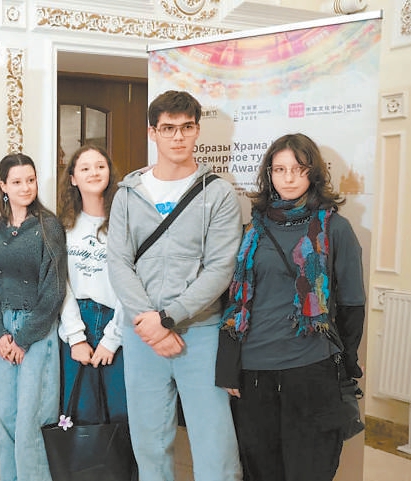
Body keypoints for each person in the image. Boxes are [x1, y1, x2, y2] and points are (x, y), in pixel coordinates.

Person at [106, 90, 243, 481]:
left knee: (215, 447)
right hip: (142, 334)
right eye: (168, 128)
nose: (178, 136)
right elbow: (118, 262)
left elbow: (220, 268)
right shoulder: (128, 194)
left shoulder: (219, 193)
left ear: (197, 130)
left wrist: (168, 318)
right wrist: (149, 321)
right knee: (149, 445)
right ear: (153, 133)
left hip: (199, 332)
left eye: (186, 127)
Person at [217, 133, 366, 481]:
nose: (288, 178)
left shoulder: (336, 229)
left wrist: (346, 362)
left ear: (313, 173)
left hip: (311, 369)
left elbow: (352, 305)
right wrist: (228, 367)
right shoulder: (252, 230)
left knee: (310, 470)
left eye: (298, 169)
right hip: (254, 371)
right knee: (260, 470)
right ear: (269, 174)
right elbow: (234, 301)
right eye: (280, 169)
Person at [0, 153, 67, 481]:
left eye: (31, 180)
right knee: (5, 417)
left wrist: (22, 340)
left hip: (37, 330)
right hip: (3, 331)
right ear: (3, 186)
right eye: (17, 181)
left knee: (30, 424)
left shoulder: (49, 227)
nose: (26, 187)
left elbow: (54, 291)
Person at [57, 145, 129, 426]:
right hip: (77, 321)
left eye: (100, 166)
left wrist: (112, 339)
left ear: (110, 173)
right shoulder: (63, 226)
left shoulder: (125, 222)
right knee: (80, 415)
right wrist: (76, 337)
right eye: (85, 168)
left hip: (118, 322)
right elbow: (60, 284)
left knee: (122, 414)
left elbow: (131, 283)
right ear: (73, 178)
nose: (94, 172)